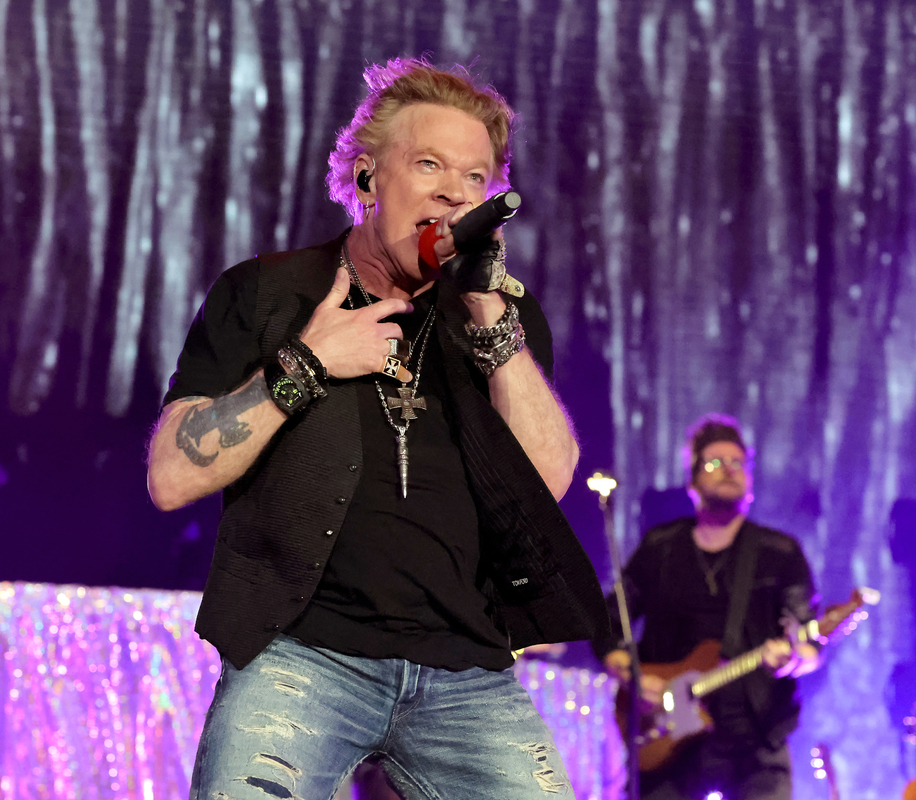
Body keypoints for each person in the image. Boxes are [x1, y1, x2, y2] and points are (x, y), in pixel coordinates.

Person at [146, 57, 610, 800]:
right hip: (300, 657)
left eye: (475, 178)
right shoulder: (267, 294)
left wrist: (489, 313)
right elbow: (171, 475)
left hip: (467, 670)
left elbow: (547, 479)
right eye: (429, 164)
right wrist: (306, 363)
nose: (454, 192)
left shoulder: (502, 324)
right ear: (366, 180)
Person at [597, 415, 820, 800]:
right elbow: (608, 620)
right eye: (715, 463)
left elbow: (809, 642)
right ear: (692, 480)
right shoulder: (660, 547)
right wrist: (631, 675)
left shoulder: (779, 552)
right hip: (666, 741)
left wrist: (793, 658)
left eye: (738, 464)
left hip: (756, 743)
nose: (728, 471)